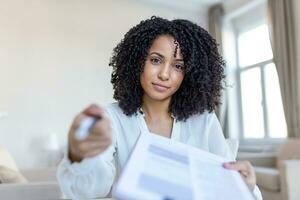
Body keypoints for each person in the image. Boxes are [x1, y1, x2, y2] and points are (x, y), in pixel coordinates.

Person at [57, 16, 262, 200]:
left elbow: (227, 188)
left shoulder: (204, 120)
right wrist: (80, 155)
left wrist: (246, 188)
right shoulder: (112, 118)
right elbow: (91, 190)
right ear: (137, 62)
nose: (164, 74)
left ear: (189, 73)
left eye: (178, 66)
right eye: (156, 60)